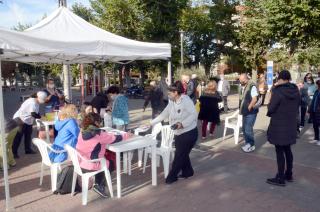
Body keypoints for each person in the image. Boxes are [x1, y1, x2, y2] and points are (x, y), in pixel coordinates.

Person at [150, 81, 198, 184]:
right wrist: (151, 123)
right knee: (182, 153)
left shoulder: (186, 100)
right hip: (178, 132)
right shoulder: (171, 102)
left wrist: (182, 124)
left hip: (189, 133)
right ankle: (188, 172)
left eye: (169, 93)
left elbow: (193, 115)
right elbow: (164, 114)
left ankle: (171, 177)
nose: (168, 95)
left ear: (176, 92)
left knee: (179, 155)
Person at [76, 113, 129, 197]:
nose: (101, 124)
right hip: (91, 164)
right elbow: (113, 139)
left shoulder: (82, 131)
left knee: (104, 160)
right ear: (96, 123)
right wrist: (127, 135)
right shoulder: (98, 133)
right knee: (110, 164)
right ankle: (100, 185)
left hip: (79, 163)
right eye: (100, 122)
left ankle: (98, 181)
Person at [266, 70, 300, 186]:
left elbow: (271, 108)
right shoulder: (295, 90)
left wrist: (272, 92)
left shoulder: (278, 91)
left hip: (279, 125)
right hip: (290, 124)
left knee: (279, 151)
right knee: (288, 150)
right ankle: (289, 174)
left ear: (280, 78)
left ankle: (280, 178)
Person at [12, 91, 47, 158]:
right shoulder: (32, 102)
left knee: (28, 135)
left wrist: (40, 116)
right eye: (43, 99)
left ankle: (27, 149)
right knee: (18, 137)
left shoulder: (37, 102)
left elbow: (36, 112)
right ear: (38, 97)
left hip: (28, 120)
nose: (43, 101)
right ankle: (14, 153)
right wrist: (41, 117)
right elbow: (33, 114)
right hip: (20, 119)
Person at [239, 73, 259, 153]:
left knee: (248, 129)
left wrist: (249, 107)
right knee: (244, 129)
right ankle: (248, 143)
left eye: (241, 80)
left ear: (245, 79)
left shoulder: (252, 86)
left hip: (251, 112)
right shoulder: (244, 86)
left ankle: (251, 145)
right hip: (245, 112)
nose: (240, 81)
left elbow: (254, 99)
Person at [308, 80, 320, 145]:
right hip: (314, 111)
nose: (316, 86)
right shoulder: (316, 91)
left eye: (317, 85)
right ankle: (316, 138)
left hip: (318, 111)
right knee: (315, 125)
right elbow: (313, 101)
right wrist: (310, 109)